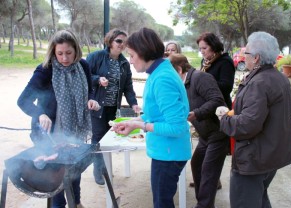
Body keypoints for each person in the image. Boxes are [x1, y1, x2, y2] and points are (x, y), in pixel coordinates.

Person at [17, 29, 99, 208]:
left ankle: (76, 203)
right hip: (49, 133)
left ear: (76, 50)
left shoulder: (83, 66)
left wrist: (91, 98)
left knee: (73, 169)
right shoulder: (45, 70)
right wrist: (40, 113)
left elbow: (90, 87)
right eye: (60, 53)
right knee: (56, 177)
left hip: (74, 129)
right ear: (53, 51)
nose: (64, 58)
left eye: (69, 53)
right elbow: (23, 100)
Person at [112, 27, 192, 208]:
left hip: (169, 154)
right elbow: (154, 115)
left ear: (143, 52)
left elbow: (177, 127)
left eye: (132, 55)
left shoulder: (162, 78)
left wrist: (143, 126)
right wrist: (132, 122)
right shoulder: (157, 73)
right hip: (165, 152)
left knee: (162, 203)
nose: (130, 61)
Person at [217, 31, 291, 208]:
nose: (244, 56)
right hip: (269, 155)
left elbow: (246, 126)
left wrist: (223, 119)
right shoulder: (279, 77)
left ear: (257, 58)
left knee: (245, 202)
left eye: (246, 53)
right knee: (258, 199)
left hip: (254, 158)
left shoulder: (259, 83)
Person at [169, 54, 228, 208]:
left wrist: (197, 113)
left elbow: (217, 100)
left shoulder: (201, 77)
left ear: (180, 69)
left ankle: (204, 205)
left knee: (209, 173)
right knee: (197, 165)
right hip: (205, 135)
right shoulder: (185, 83)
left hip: (218, 133)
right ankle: (204, 203)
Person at [86, 28, 140, 185]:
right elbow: (85, 76)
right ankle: (99, 171)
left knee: (110, 138)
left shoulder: (124, 63)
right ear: (110, 41)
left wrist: (134, 104)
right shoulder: (96, 56)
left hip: (112, 108)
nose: (122, 45)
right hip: (97, 107)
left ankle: (106, 169)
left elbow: (128, 87)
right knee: (97, 139)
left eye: (124, 42)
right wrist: (97, 79)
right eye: (119, 41)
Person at [197, 32, 235, 189]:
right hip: (206, 109)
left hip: (219, 110)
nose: (202, 52)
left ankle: (211, 182)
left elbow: (227, 86)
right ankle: (210, 180)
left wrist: (205, 85)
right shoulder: (205, 61)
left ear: (213, 46)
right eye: (200, 49)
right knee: (204, 153)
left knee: (214, 152)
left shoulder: (225, 62)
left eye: (204, 48)